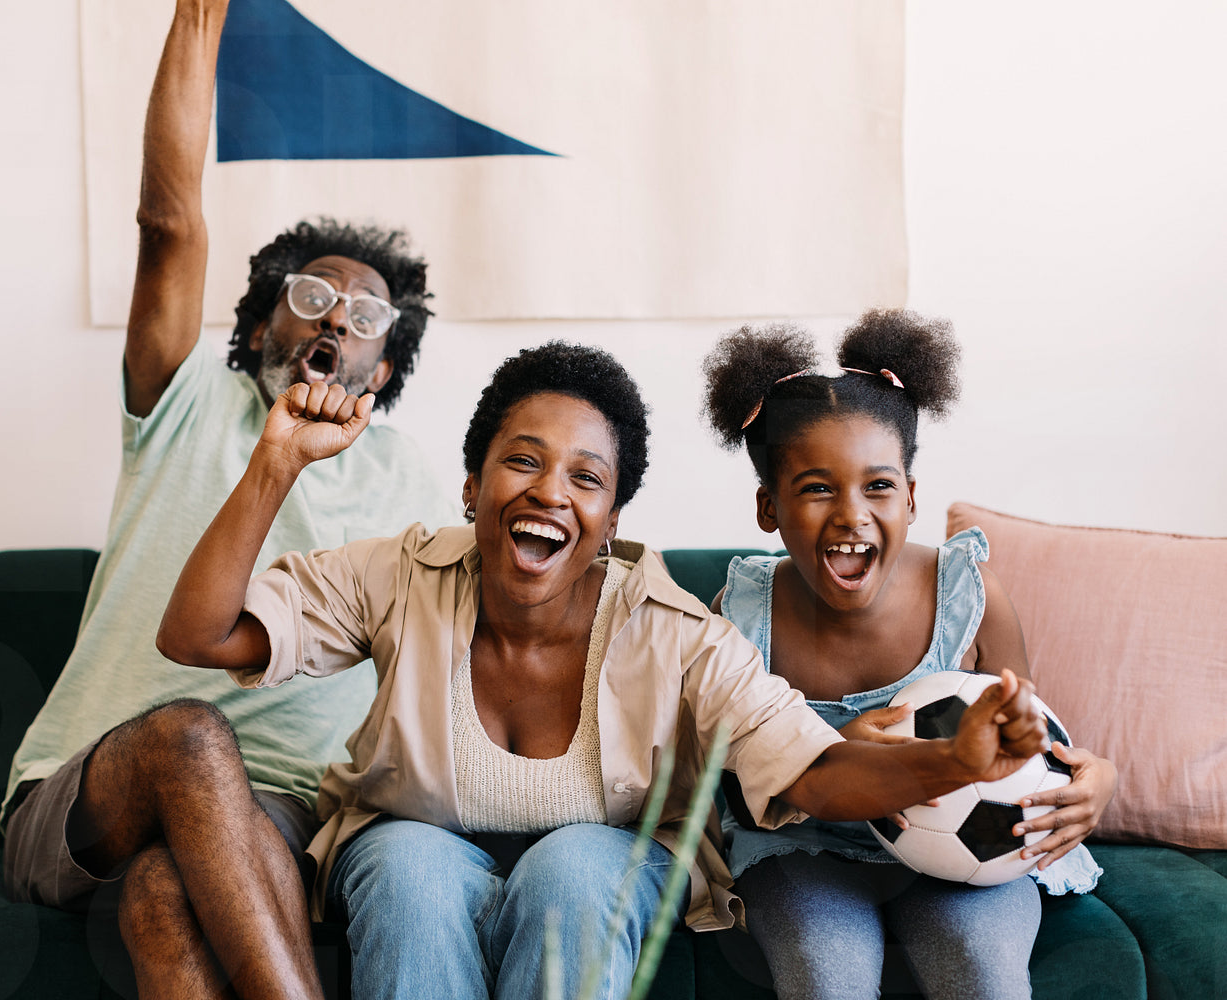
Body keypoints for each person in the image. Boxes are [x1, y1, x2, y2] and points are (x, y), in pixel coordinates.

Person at [156, 340, 1053, 1000]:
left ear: (612, 518)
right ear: (472, 487)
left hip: (603, 860)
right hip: (415, 844)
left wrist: (952, 761)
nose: (550, 491)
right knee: (404, 865)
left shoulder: (677, 631)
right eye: (521, 462)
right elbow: (199, 635)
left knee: (577, 866)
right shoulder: (398, 576)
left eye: (586, 478)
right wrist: (277, 463)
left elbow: (814, 771)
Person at [0, 1, 456, 996]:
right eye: (310, 296)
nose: (335, 317)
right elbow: (168, 223)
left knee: (164, 892)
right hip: (87, 794)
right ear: (255, 331)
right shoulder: (184, 400)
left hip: (281, 812)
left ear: (384, 370)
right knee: (191, 734)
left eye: (365, 315)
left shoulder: (415, 483)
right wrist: (201, 14)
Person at [699, 310, 1119, 1000]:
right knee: (826, 971)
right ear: (768, 507)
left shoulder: (968, 593)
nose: (852, 514)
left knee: (983, 972)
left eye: (879, 485)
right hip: (809, 850)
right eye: (817, 488)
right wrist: (835, 753)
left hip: (966, 852)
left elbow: (1030, 738)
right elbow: (728, 781)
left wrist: (1095, 777)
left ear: (912, 497)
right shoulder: (740, 616)